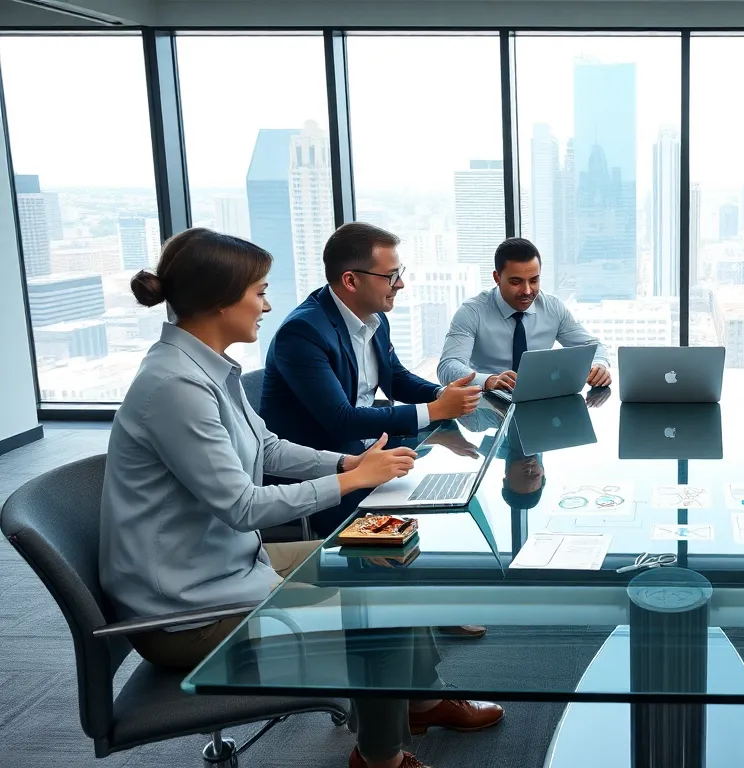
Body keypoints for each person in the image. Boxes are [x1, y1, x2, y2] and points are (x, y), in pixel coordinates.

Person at [101, 228, 502, 768]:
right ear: (221, 300)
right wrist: (350, 482)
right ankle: (380, 759)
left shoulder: (205, 368)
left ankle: (421, 704)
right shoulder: (176, 387)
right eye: (259, 291)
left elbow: (265, 447)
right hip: (188, 611)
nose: (267, 304)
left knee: (386, 559)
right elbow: (244, 506)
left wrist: (345, 462)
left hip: (230, 566)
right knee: (377, 611)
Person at [262, 222, 481, 540]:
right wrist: (435, 410)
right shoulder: (303, 332)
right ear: (351, 280)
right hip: (325, 473)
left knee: (456, 488)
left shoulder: (375, 317)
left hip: (371, 450)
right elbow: (341, 420)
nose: (401, 284)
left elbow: (398, 378)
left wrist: (443, 394)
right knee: (422, 531)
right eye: (391, 275)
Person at [437, 237, 611, 393]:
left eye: (534, 280)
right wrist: (488, 381)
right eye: (516, 282)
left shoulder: (552, 308)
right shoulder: (472, 312)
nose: (527, 291)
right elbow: (448, 366)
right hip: (486, 404)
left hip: (540, 401)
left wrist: (599, 366)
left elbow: (594, 346)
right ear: (497, 277)